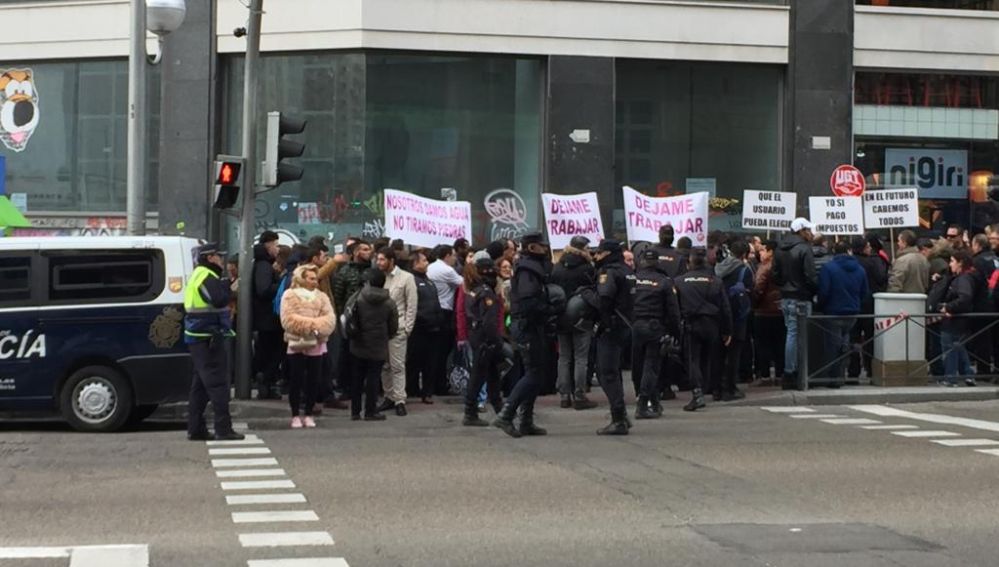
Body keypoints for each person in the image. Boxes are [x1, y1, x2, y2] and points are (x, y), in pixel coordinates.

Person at [493, 233, 554, 438]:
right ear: (531, 248)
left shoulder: (531, 266)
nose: (546, 249)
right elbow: (529, 301)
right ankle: (506, 414)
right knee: (533, 373)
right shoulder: (528, 269)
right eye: (541, 246)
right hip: (528, 326)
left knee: (536, 373)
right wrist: (548, 308)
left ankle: (526, 419)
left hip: (531, 325)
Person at [185, 243, 243, 441]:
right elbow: (218, 300)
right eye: (218, 256)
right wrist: (227, 287)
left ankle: (195, 429)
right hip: (207, 337)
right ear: (210, 257)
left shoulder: (198, 274)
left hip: (199, 337)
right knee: (218, 384)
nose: (221, 259)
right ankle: (223, 429)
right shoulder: (205, 276)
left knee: (200, 386)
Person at [675, 248, 732, 412]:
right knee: (710, 358)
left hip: (691, 324)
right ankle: (711, 388)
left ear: (689, 262)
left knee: (692, 359)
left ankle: (698, 392)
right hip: (712, 324)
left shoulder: (679, 281)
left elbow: (674, 308)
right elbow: (725, 308)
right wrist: (727, 330)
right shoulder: (716, 281)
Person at [280, 264, 336, 428]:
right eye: (311, 278)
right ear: (301, 278)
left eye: (315, 278)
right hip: (296, 343)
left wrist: (314, 327)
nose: (314, 282)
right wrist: (312, 325)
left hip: (317, 343)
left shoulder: (322, 296)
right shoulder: (289, 295)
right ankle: (295, 414)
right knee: (296, 380)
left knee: (314, 380)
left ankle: (309, 413)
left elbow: (329, 318)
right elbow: (288, 319)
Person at [631, 249, 681, 419]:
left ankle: (653, 402)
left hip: (635, 325)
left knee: (639, 365)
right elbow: (673, 311)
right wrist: (676, 333)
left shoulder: (633, 279)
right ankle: (643, 404)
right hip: (654, 327)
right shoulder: (665, 281)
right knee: (651, 367)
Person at [592, 239, 634, 435]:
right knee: (614, 372)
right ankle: (622, 415)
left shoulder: (608, 272)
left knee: (606, 372)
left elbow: (604, 300)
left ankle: (618, 418)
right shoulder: (627, 271)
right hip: (626, 325)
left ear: (607, 254)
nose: (596, 256)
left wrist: (586, 296)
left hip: (612, 327)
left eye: (599, 253)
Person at [551, 235, 598, 410]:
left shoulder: (558, 267)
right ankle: (579, 394)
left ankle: (564, 395)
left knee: (564, 357)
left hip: (560, 316)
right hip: (580, 316)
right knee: (580, 357)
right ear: (583, 249)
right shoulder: (586, 268)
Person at [772, 218, 818, 390]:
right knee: (799, 335)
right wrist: (813, 290)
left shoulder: (780, 248)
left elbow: (775, 275)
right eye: (809, 230)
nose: (811, 233)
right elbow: (810, 276)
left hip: (786, 296)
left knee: (791, 333)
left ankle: (791, 372)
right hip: (802, 297)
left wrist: (784, 286)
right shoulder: (804, 249)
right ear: (802, 231)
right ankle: (795, 372)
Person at [461, 258, 506, 426]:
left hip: (477, 336)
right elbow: (489, 322)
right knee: (479, 375)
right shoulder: (486, 292)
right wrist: (496, 342)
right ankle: (470, 412)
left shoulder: (474, 290)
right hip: (485, 339)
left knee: (492, 374)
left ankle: (500, 410)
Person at [817, 241, 869, 387]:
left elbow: (824, 291)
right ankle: (840, 375)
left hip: (832, 312)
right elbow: (864, 292)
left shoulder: (828, 268)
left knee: (832, 346)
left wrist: (821, 306)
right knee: (845, 345)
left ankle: (833, 379)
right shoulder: (859, 269)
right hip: (852, 312)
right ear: (849, 251)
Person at [349, 269, 399, 420]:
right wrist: (387, 336)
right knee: (373, 378)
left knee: (357, 378)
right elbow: (393, 326)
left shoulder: (358, 297)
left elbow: (348, 314)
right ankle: (371, 411)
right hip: (378, 344)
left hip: (358, 342)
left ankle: (355, 412)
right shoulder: (389, 302)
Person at [375, 247, 417, 416]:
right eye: (377, 259)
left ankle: (400, 399)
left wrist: (408, 328)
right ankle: (389, 396)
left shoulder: (406, 278)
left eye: (382, 260)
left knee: (397, 365)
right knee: (384, 365)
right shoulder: (378, 278)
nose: (379, 263)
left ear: (391, 261)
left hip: (398, 327)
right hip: (380, 328)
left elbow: (412, 304)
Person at [330, 240, 372, 401]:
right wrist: (343, 319)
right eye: (364, 249)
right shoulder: (345, 272)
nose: (369, 252)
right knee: (347, 354)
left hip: (370, 319)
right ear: (355, 253)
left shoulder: (373, 270)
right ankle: (346, 386)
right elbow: (338, 297)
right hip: (351, 319)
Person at [715, 238, 753, 401]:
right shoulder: (745, 270)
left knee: (719, 353)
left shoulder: (717, 268)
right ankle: (730, 388)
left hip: (719, 314)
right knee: (734, 353)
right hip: (737, 316)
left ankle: (717, 388)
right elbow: (751, 290)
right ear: (744, 254)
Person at [428, 244, 465, 394]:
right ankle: (440, 384)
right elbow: (465, 283)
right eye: (454, 256)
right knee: (442, 351)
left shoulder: (431, 267)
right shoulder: (447, 270)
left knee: (435, 351)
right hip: (444, 312)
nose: (455, 259)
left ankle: (433, 384)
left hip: (433, 311)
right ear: (447, 256)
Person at [407, 250, 442, 403]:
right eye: (424, 260)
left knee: (430, 362)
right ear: (415, 264)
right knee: (414, 361)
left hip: (433, 328)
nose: (427, 263)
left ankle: (427, 391)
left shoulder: (428, 281)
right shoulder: (411, 280)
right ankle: (410, 389)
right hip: (418, 328)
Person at [252, 231, 284, 399]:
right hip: (268, 318)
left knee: (269, 351)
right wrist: (280, 284)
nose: (277, 249)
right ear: (268, 245)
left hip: (266, 317)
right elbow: (263, 289)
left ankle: (266, 381)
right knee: (272, 351)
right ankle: (266, 381)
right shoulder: (264, 265)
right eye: (276, 245)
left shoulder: (263, 264)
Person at [938, 250, 976, 387]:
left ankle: (950, 378)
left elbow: (965, 297)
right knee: (958, 347)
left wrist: (948, 307)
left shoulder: (963, 279)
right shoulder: (965, 277)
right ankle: (968, 375)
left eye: (952, 261)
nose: (950, 264)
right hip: (959, 319)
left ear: (960, 263)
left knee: (950, 347)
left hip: (954, 319)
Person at [752, 240, 784, 383]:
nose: (760, 252)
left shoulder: (765, 267)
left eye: (763, 250)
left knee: (763, 344)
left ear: (770, 251)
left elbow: (758, 288)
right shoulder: (783, 265)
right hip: (779, 310)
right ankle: (780, 373)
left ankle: (764, 375)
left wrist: (753, 303)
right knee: (779, 343)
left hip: (764, 310)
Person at [888, 229, 929, 293]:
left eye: (899, 241)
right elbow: (926, 283)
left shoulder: (902, 260)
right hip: (920, 298)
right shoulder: (923, 259)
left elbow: (895, 284)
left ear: (904, 243)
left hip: (905, 299)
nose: (898, 243)